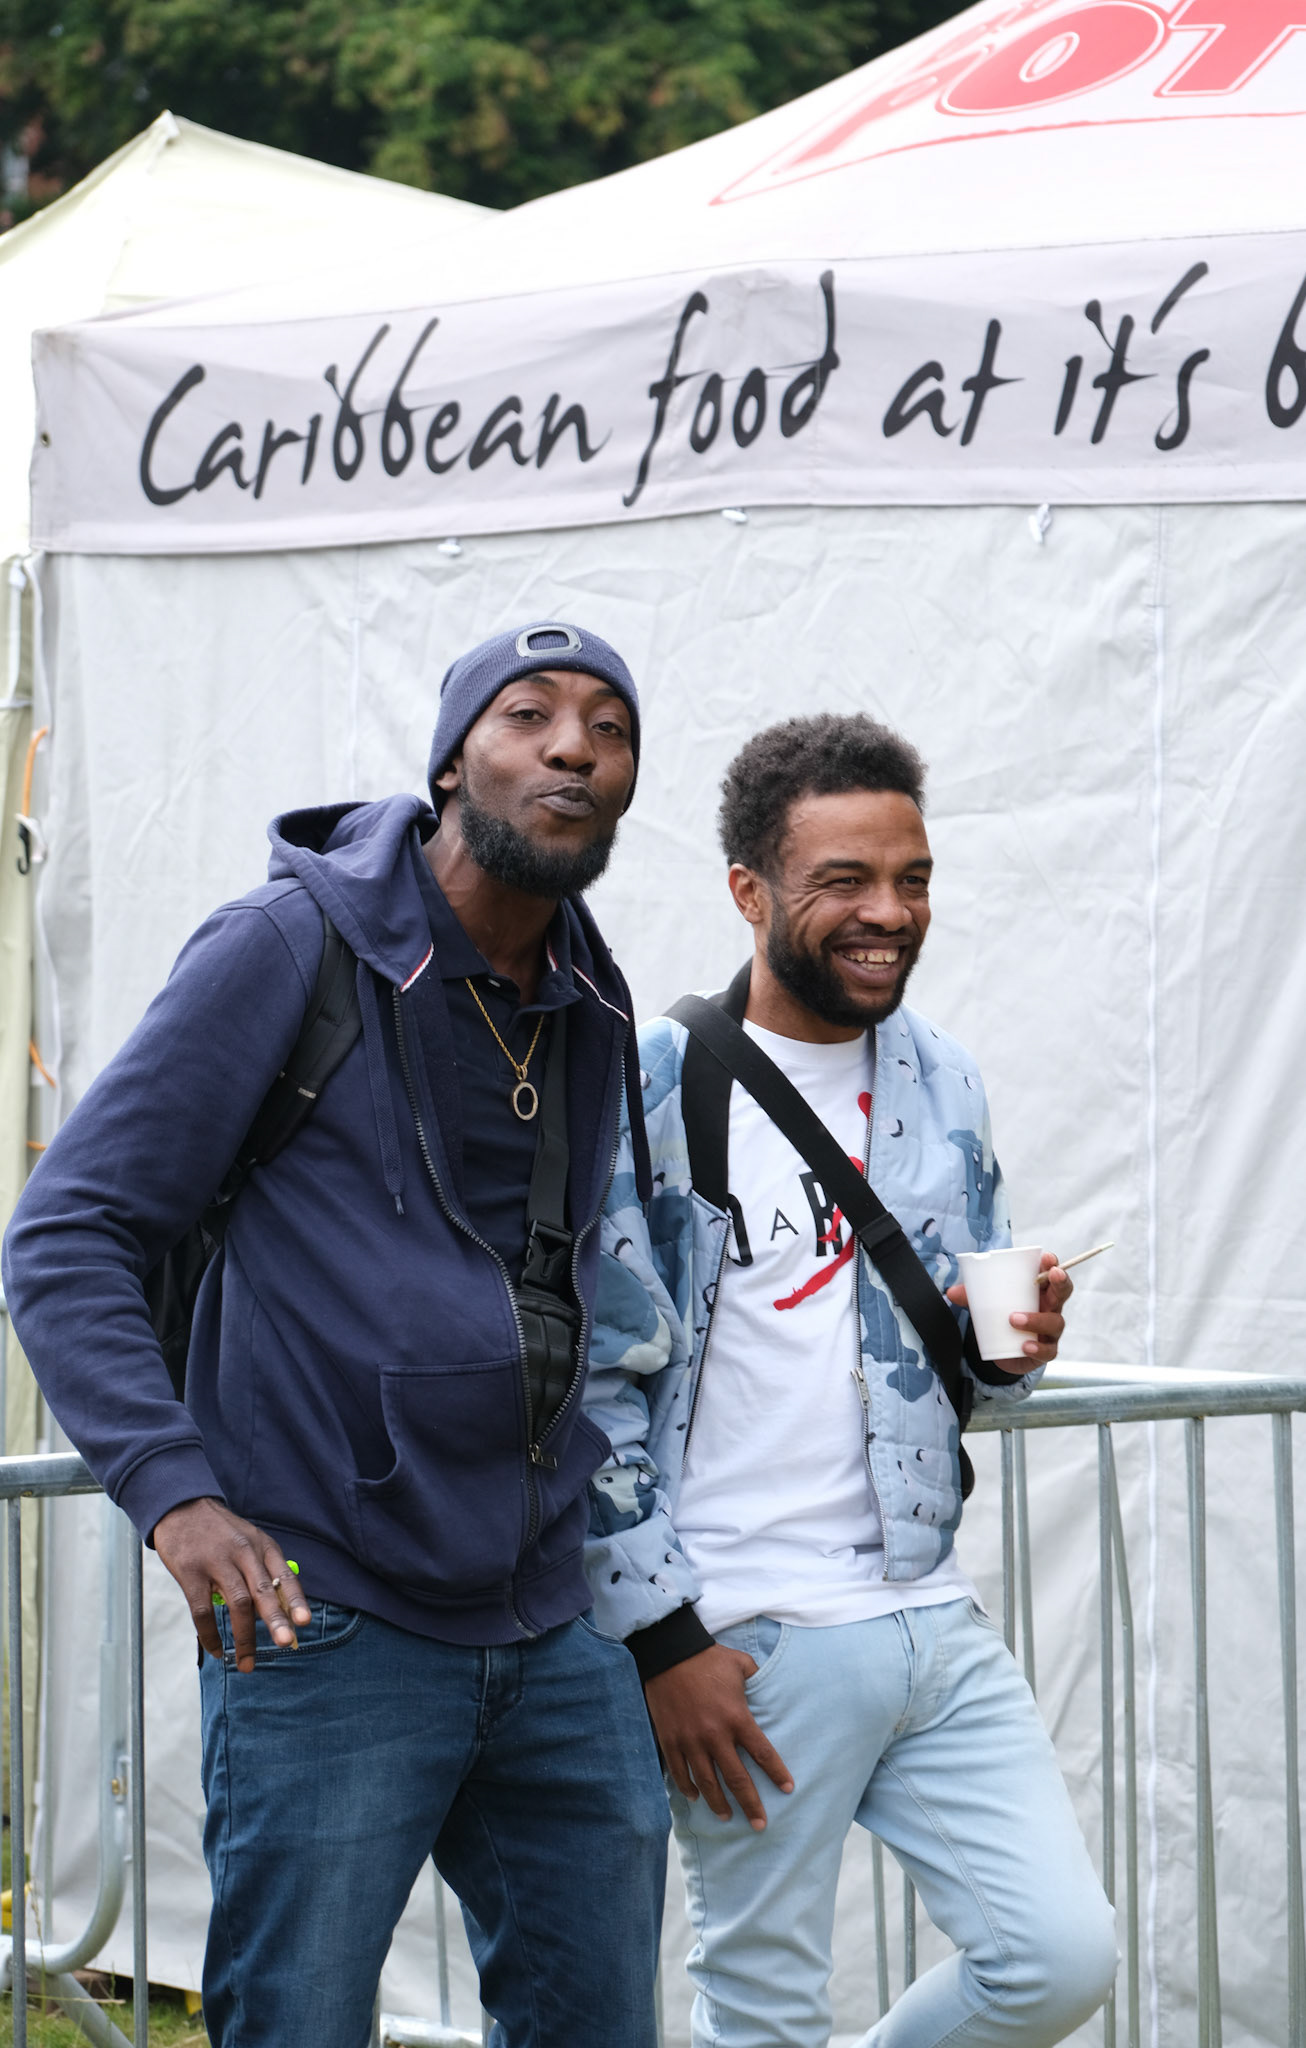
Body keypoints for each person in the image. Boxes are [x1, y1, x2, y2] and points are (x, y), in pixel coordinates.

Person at [2, 621, 669, 2048]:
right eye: (529, 713)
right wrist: (175, 1493)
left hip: (548, 1616)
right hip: (328, 1611)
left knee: (603, 2023)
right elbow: (68, 1233)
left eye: (608, 728)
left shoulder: (588, 993)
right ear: (449, 763)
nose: (572, 747)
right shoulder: (286, 946)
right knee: (298, 2025)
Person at [584, 713, 1118, 2048]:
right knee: (762, 2004)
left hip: (930, 1612)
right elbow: (592, 1383)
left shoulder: (944, 1075)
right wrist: (664, 1641)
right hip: (752, 1633)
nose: (890, 912)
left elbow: (964, 1363)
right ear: (749, 891)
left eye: (912, 878)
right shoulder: (653, 1085)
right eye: (845, 881)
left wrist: (1008, 1346)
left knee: (1055, 1959)